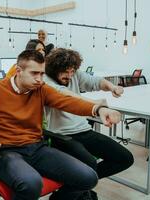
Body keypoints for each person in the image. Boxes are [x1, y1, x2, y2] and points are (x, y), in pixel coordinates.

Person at [0, 50, 122, 200]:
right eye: (34, 73)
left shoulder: (41, 89)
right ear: (19, 71)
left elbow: (68, 102)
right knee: (32, 183)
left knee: (89, 177)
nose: (39, 79)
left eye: (42, 74)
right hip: (6, 152)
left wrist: (98, 109)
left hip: (37, 149)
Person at [44, 48, 134, 199]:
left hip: (84, 131)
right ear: (54, 68)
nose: (70, 75)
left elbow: (96, 81)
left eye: (72, 71)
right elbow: (67, 96)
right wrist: (99, 107)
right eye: (66, 72)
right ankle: (76, 187)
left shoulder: (74, 74)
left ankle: (75, 185)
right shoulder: (46, 81)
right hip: (61, 136)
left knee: (124, 158)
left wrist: (112, 87)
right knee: (90, 163)